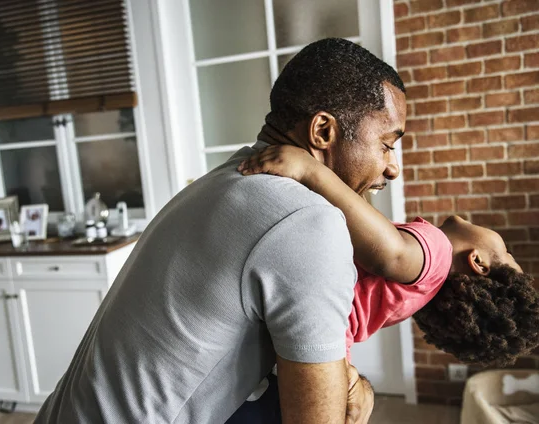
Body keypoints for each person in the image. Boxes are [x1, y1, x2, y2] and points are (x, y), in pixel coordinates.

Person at [35, 37, 405, 423]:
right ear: (323, 132)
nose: (392, 167)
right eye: (386, 144)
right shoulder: (308, 222)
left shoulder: (221, 183)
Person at [229, 144, 539, 422]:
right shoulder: (419, 293)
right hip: (325, 354)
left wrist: (312, 170)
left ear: (479, 263)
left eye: (507, 253)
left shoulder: (436, 251)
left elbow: (389, 253)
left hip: (310, 338)